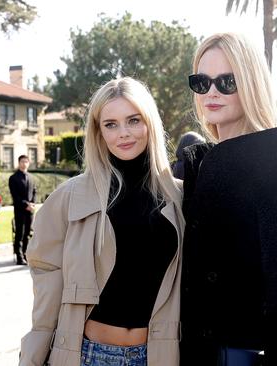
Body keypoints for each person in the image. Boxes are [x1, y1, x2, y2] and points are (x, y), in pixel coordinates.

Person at [19, 77, 184, 366]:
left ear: (150, 123)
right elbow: (47, 280)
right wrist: (35, 352)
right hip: (90, 355)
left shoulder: (180, 196)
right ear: (98, 132)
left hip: (160, 355)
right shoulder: (70, 197)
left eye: (133, 120)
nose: (123, 133)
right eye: (111, 124)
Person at [180, 32, 277, 365]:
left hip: (243, 351)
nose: (212, 92)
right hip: (203, 348)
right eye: (202, 82)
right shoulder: (206, 160)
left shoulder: (272, 157)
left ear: (251, 83)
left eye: (227, 82)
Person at [9, 155, 37, 265]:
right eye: (22, 161)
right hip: (20, 209)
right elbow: (15, 196)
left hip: (30, 210)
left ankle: (26, 254)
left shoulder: (31, 177)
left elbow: (34, 191)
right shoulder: (13, 178)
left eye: (26, 161)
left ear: (28, 163)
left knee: (28, 233)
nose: (24, 163)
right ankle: (19, 257)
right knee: (19, 233)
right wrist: (26, 204)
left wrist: (33, 203)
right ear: (18, 162)